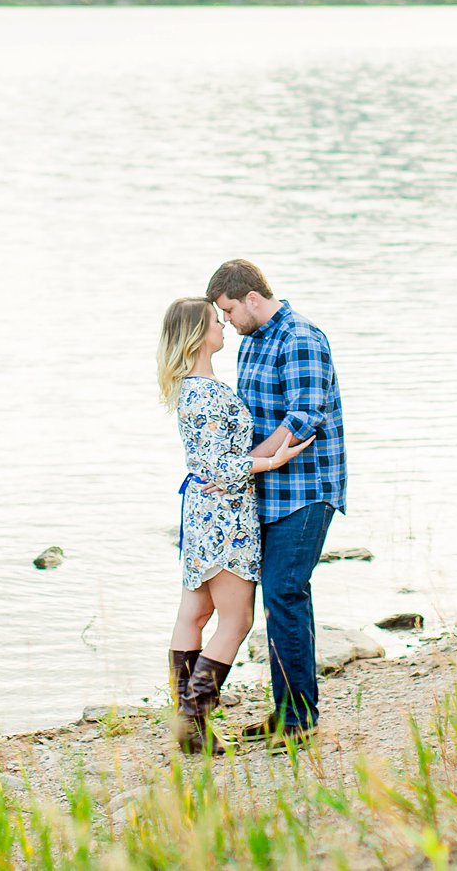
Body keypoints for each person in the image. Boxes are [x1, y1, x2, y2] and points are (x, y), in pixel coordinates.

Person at [158, 297, 311, 755]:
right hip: (225, 517)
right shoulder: (206, 393)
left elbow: (208, 465)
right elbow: (217, 466)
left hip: (203, 512)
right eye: (215, 320)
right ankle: (193, 719)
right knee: (236, 619)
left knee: (196, 614)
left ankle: (189, 725)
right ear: (199, 334)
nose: (223, 325)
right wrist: (270, 460)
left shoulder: (195, 386)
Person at [207, 258, 345, 746]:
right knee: (278, 597)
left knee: (285, 591)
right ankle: (289, 709)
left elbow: (304, 417)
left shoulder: (301, 338)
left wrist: (246, 463)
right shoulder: (253, 342)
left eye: (227, 311)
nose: (225, 322)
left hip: (307, 490)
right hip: (267, 492)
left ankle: (299, 721)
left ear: (251, 299)